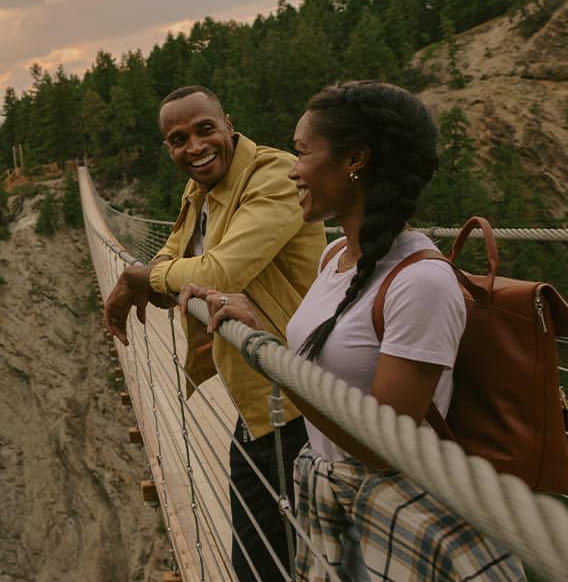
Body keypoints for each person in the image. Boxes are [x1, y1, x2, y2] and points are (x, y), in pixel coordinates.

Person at [195, 80, 526, 581]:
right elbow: (327, 367)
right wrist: (260, 328)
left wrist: (270, 360)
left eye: (302, 152)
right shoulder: (335, 258)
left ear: (356, 159)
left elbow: (379, 446)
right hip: (333, 502)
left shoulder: (421, 282)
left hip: (395, 517)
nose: (292, 169)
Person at [104, 85, 326, 582]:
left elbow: (219, 273)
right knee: (261, 556)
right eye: (178, 139)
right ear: (168, 148)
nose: (195, 146)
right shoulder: (200, 187)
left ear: (228, 122)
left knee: (282, 559)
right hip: (258, 398)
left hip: (298, 398)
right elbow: (173, 257)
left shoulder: (273, 174)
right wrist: (158, 273)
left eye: (205, 129)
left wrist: (142, 277)